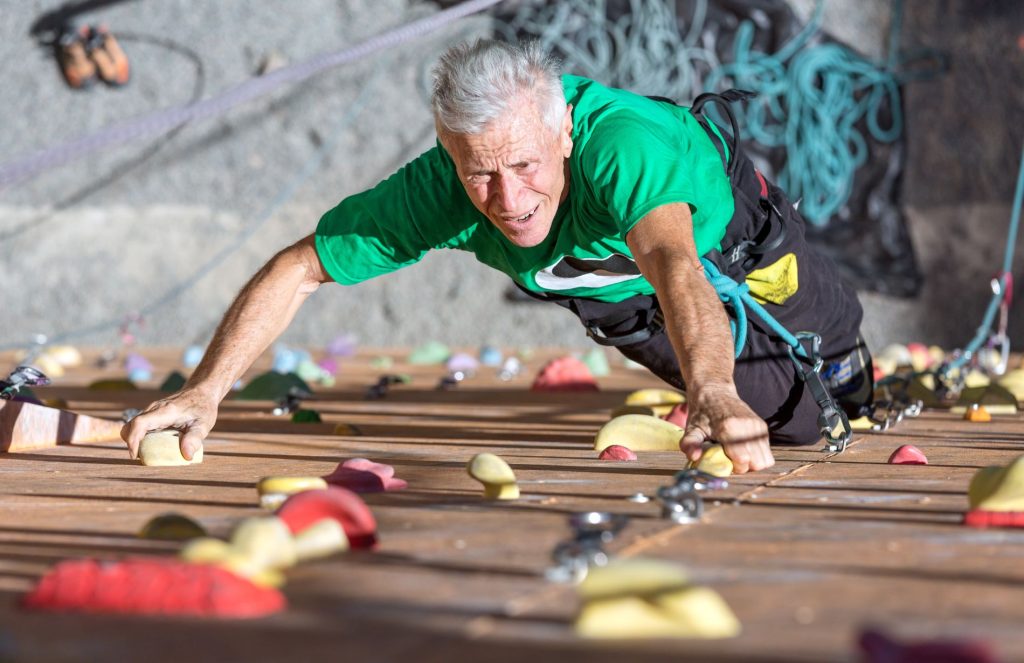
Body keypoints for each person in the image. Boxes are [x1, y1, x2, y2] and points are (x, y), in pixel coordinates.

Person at [122, 39, 873, 475]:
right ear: (450, 153)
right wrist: (207, 388)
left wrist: (713, 384)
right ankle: (772, 395)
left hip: (721, 243)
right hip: (617, 295)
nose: (506, 198)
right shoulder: (441, 189)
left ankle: (848, 372)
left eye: (524, 166)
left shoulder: (621, 148)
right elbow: (300, 268)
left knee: (836, 359)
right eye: (478, 170)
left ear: (564, 137)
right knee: (792, 424)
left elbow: (674, 264)